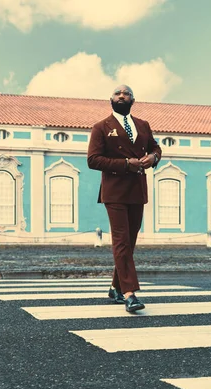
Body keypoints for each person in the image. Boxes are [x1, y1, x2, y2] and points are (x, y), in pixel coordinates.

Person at [87, 84, 162, 312]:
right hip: (115, 191)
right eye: (118, 93)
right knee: (121, 241)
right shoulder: (101, 127)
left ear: (133, 99)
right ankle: (129, 294)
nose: (122, 96)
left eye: (126, 93)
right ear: (110, 99)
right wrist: (126, 164)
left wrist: (153, 158)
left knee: (129, 242)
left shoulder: (143, 125)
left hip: (137, 190)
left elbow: (156, 148)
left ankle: (114, 287)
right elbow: (93, 160)